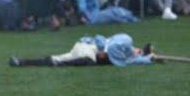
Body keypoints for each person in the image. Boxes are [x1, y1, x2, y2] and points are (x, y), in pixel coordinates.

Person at [9, 33, 156, 68]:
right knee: (88, 61)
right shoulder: (124, 42)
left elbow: (133, 59)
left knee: (56, 59)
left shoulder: (126, 52)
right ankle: (21, 61)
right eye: (139, 50)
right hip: (87, 48)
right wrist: (147, 57)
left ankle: (21, 61)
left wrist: (147, 57)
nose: (138, 51)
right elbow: (106, 44)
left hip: (83, 48)